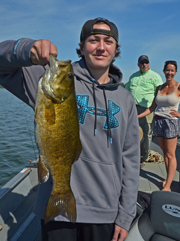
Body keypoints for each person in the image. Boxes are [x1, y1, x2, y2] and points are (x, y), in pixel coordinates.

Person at [0, 17, 140, 241]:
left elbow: (131, 159)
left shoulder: (126, 100)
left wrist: (126, 215)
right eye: (93, 40)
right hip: (57, 212)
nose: (101, 47)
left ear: (116, 50)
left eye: (108, 41)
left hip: (106, 212)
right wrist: (26, 49)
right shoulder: (53, 79)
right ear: (82, 47)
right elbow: (3, 67)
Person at [138, 60, 180, 191]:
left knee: (171, 154)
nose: (169, 73)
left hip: (171, 122)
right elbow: (152, 107)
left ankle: (168, 186)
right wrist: (137, 116)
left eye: (172, 70)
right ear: (164, 71)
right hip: (158, 121)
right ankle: (168, 179)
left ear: (176, 72)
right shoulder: (159, 88)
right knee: (165, 153)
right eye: (167, 70)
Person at [125, 55, 163, 163]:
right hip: (132, 109)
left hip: (147, 110)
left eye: (146, 62)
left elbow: (161, 92)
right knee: (132, 132)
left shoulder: (155, 76)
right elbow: (126, 90)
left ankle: (144, 157)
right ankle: (133, 154)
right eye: (142, 62)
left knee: (146, 134)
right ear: (138, 64)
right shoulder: (133, 76)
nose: (144, 64)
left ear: (149, 63)